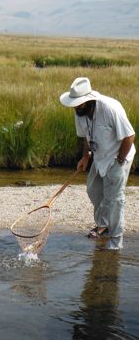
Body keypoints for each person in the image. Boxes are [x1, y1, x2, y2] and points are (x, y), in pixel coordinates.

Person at [60, 77, 136, 250]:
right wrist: (85, 157)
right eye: (74, 104)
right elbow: (86, 136)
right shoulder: (80, 113)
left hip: (119, 156)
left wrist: (119, 162)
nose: (75, 107)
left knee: (115, 200)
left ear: (89, 101)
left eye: (78, 104)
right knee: (93, 190)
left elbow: (129, 136)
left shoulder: (110, 108)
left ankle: (116, 242)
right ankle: (103, 225)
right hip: (99, 155)